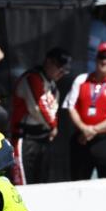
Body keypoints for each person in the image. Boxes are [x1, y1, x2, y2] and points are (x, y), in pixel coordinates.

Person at [63, 42, 106, 180]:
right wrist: (83, 128)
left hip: (105, 140)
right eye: (102, 57)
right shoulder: (81, 80)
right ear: (96, 58)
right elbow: (71, 107)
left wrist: (93, 130)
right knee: (78, 182)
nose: (104, 61)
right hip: (81, 139)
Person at [10, 48, 71, 184]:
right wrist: (53, 126)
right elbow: (38, 108)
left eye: (64, 70)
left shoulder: (53, 86)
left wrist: (53, 126)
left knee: (42, 183)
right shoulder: (32, 78)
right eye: (59, 68)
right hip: (25, 139)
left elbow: (53, 109)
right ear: (48, 62)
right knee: (23, 183)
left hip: (43, 139)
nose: (61, 73)